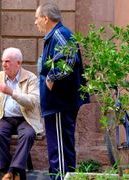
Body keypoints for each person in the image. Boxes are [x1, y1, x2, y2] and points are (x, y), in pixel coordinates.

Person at [35, 3, 89, 179]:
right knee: (60, 145)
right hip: (57, 102)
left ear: (46, 18)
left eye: (37, 18)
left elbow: (70, 56)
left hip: (59, 102)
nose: (35, 22)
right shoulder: (55, 35)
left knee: (59, 148)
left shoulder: (59, 34)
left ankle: (60, 177)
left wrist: (52, 77)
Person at [0, 47, 43, 180]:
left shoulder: (30, 78)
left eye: (7, 61)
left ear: (18, 63)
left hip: (25, 118)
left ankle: (10, 171)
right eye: (3, 61)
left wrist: (11, 92)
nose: (4, 64)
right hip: (3, 118)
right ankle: (13, 173)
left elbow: (33, 102)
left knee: (28, 135)